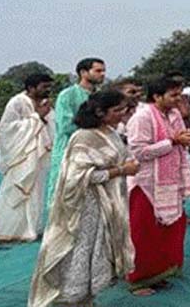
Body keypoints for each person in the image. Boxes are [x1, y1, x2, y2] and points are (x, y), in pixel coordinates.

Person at [28, 90, 139, 307]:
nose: (121, 114)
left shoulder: (111, 133)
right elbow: (78, 177)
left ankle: (86, 298)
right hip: (86, 206)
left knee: (99, 249)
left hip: (108, 204)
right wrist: (120, 170)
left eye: (123, 110)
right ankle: (70, 298)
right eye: (117, 110)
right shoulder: (84, 137)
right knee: (81, 249)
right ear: (100, 112)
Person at [125, 77, 190, 295]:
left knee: (170, 229)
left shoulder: (174, 114)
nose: (178, 99)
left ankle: (159, 273)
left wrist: (185, 140)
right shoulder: (142, 117)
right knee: (144, 232)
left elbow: (179, 138)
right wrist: (173, 142)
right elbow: (138, 152)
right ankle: (137, 279)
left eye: (179, 94)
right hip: (146, 182)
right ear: (157, 97)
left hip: (170, 180)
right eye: (173, 95)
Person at [0, 73, 56, 243]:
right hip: (20, 156)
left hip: (37, 155)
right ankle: (7, 231)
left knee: (36, 193)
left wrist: (43, 118)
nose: (47, 90)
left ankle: (31, 229)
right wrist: (36, 117)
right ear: (31, 88)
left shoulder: (46, 104)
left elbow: (51, 126)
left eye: (48, 86)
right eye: (43, 87)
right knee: (17, 191)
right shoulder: (17, 102)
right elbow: (5, 130)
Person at [47, 57, 106, 207]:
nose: (103, 74)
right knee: (64, 199)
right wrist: (95, 129)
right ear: (83, 72)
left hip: (96, 153)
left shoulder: (102, 97)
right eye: (98, 70)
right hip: (69, 151)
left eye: (104, 71)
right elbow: (66, 126)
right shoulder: (67, 96)